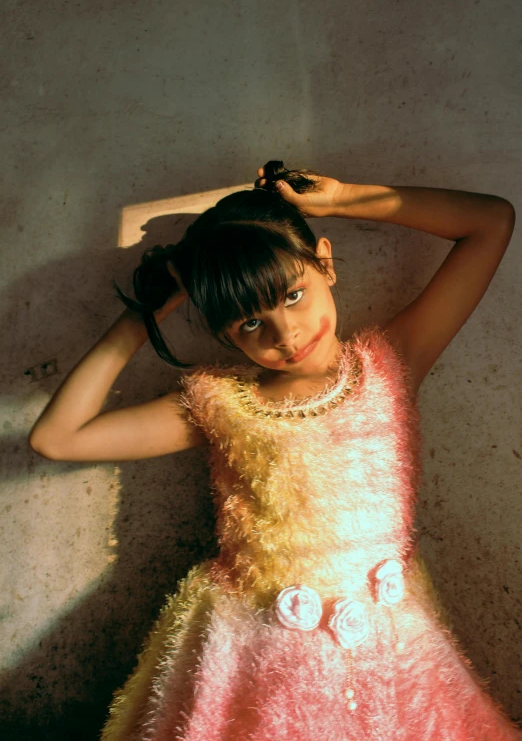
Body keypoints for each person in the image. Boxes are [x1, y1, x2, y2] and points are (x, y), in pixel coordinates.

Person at [29, 160, 520, 740]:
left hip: (393, 655)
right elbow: (57, 437)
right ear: (222, 335)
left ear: (326, 265)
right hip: (261, 658)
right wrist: (149, 310)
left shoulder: (390, 365)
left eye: (293, 294)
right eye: (249, 324)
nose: (286, 333)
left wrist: (340, 198)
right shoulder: (223, 407)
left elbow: (491, 220)